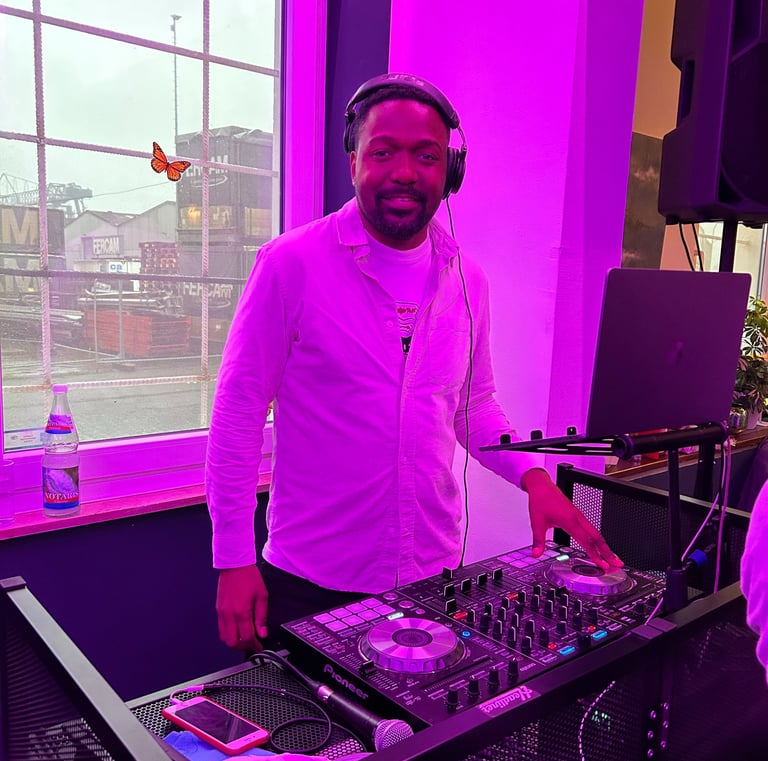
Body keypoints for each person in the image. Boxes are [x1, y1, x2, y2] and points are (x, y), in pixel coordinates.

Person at [205, 72, 623, 653]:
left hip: (432, 578)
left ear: (449, 170)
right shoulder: (289, 264)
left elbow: (473, 407)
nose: (405, 171)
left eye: (426, 155)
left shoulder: (468, 279)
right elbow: (239, 411)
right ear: (354, 161)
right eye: (384, 152)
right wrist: (233, 559)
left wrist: (534, 479)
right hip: (311, 580)